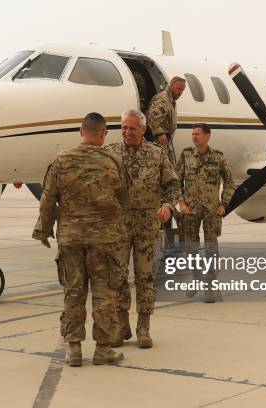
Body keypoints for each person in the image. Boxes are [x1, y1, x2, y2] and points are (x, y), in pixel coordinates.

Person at [32, 112, 129, 366]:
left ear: (81, 131)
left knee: (73, 292)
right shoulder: (112, 161)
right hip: (104, 240)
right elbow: (125, 197)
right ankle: (103, 349)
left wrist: (43, 231)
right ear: (102, 134)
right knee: (104, 294)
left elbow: (48, 198)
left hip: (71, 239)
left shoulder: (61, 161)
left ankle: (74, 349)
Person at [105, 109, 181, 348]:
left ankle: (143, 327)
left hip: (147, 227)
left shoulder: (157, 155)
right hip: (118, 226)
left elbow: (173, 186)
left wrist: (168, 206)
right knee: (116, 277)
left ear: (143, 129)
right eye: (124, 128)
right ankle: (121, 324)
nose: (127, 132)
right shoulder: (110, 153)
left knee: (145, 277)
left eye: (132, 128)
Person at [175, 123, 235, 301]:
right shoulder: (186, 155)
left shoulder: (218, 158)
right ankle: (196, 279)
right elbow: (175, 181)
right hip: (190, 210)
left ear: (208, 136)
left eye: (198, 134)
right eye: (193, 134)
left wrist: (224, 203)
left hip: (211, 210)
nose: (194, 137)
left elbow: (230, 182)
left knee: (211, 249)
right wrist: (181, 203)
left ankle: (209, 286)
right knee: (191, 249)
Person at [146, 76, 186, 164]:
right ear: (171, 86)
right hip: (157, 139)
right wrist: (160, 133)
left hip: (163, 139)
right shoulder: (164, 99)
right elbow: (151, 117)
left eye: (182, 90)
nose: (180, 92)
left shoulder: (169, 99)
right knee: (166, 165)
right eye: (179, 89)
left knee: (168, 164)